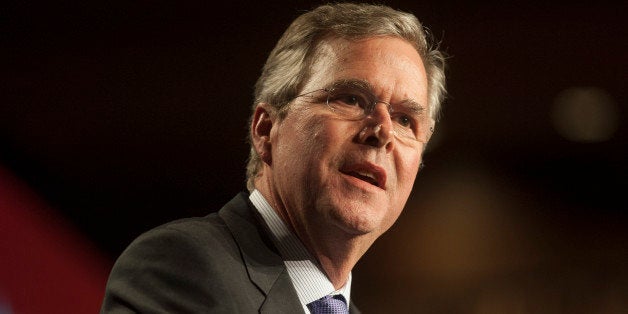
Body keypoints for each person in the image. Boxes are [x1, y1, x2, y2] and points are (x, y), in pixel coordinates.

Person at [101, 2, 447, 313]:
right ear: (266, 130)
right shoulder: (182, 266)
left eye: (405, 120)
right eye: (351, 99)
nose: (383, 131)